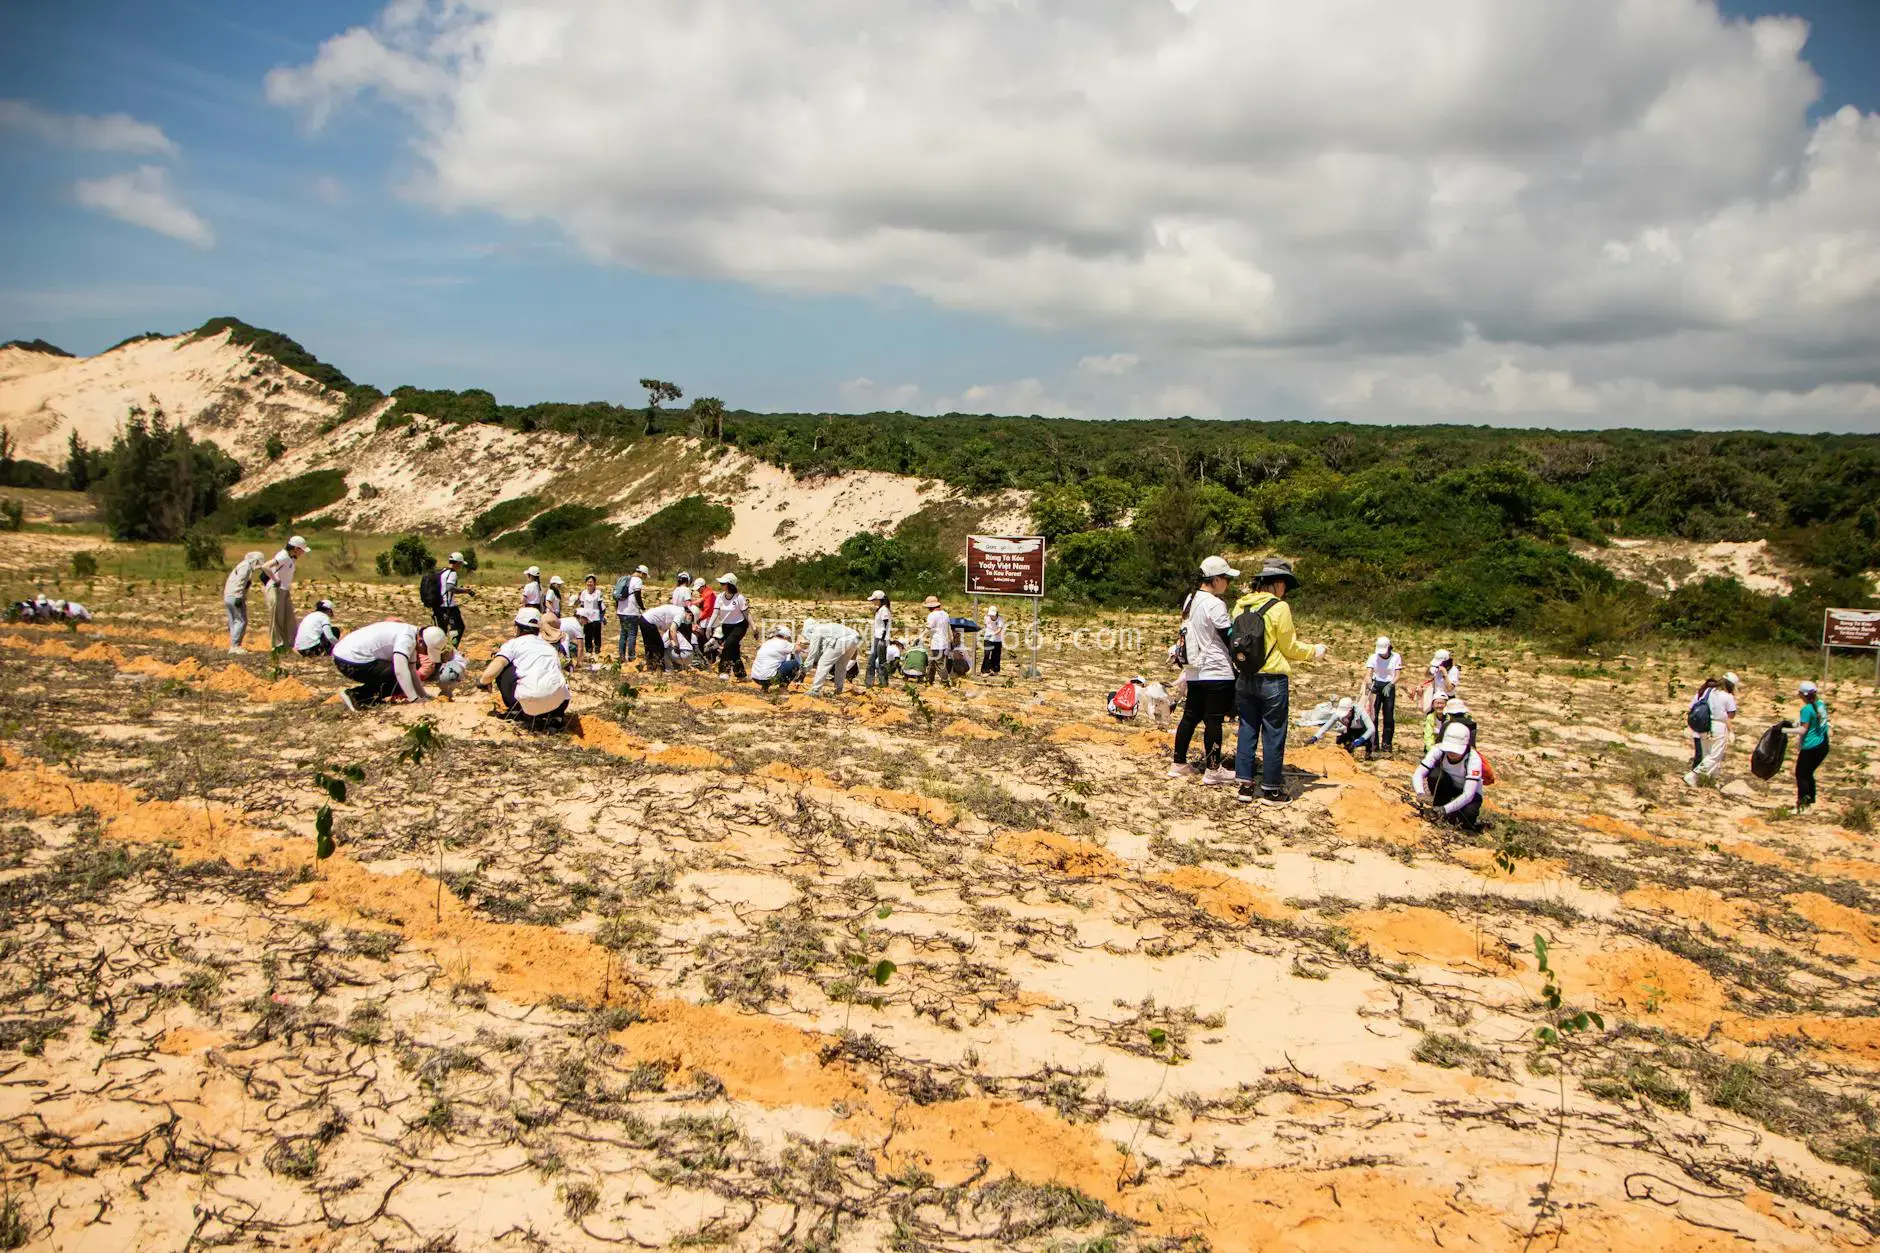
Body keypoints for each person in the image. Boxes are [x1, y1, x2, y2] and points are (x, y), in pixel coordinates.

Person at [1230, 557, 1325, 805]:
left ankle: (1245, 786)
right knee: (1273, 733)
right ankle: (1271, 789)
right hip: (1272, 679)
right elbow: (1289, 647)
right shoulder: (1279, 608)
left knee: (1247, 729)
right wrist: (1314, 651)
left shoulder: (1240, 606)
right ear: (1279, 584)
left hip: (1245, 676)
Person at [1169, 556, 1239, 786]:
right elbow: (1227, 636)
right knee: (1213, 721)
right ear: (1216, 579)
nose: (1227, 583)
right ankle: (1213, 769)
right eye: (1226, 579)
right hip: (1216, 671)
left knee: (1190, 716)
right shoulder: (1214, 603)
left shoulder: (1191, 599)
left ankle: (1178, 763)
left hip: (1194, 670)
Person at [478, 608, 572, 724]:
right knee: (554, 673)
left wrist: (483, 682)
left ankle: (516, 711)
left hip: (529, 701)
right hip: (557, 703)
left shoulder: (514, 644)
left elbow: (496, 666)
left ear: (517, 627)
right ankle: (555, 717)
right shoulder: (549, 647)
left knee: (504, 666)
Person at [332, 620, 449, 711]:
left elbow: (412, 670)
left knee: (403, 676)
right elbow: (400, 671)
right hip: (349, 660)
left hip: (346, 656)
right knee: (398, 677)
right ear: (421, 642)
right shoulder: (406, 638)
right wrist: (414, 699)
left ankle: (364, 698)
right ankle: (356, 696)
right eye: (426, 650)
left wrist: (423, 695)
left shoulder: (414, 634)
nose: (424, 654)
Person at [1413, 722, 1486, 829]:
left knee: (1467, 817)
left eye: (1456, 750)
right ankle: (1439, 806)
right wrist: (1420, 793)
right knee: (1435, 775)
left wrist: (1445, 810)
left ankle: (1446, 813)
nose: (1451, 753)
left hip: (1468, 793)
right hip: (1447, 786)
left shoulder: (1473, 760)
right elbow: (1418, 773)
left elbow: (1468, 794)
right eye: (1449, 749)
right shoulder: (1438, 750)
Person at [1782, 679, 1831, 812]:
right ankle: (1810, 801)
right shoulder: (1820, 704)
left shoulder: (1806, 709)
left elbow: (1803, 730)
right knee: (1808, 773)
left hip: (1811, 747)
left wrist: (1785, 731)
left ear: (1802, 695)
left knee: (1801, 774)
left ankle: (1802, 805)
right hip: (1823, 745)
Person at [1684, 672, 1738, 787]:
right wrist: (1731, 732)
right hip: (1719, 726)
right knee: (1715, 756)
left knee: (1706, 753)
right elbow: (1730, 715)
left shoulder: (1710, 691)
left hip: (1706, 724)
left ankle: (1711, 780)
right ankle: (1693, 776)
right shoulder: (1728, 697)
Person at [261, 536, 309, 651]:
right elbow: (265, 566)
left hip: (283, 589)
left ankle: (289, 644)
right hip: (275, 588)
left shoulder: (290, 558)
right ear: (296, 548)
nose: (302, 553)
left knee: (288, 618)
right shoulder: (283, 556)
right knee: (277, 619)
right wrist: (276, 580)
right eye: (302, 550)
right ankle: (277, 646)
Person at [803, 617, 862, 696]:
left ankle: (815, 690)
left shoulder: (816, 631)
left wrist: (806, 667)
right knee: (841, 665)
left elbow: (813, 652)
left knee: (823, 663)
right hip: (855, 638)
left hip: (842, 639)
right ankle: (838, 689)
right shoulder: (825, 627)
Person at [707, 573, 750, 678]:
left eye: (723, 583)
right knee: (734, 650)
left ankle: (724, 671)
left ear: (730, 585)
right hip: (726, 626)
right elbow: (715, 612)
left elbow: (747, 614)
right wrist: (709, 626)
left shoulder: (739, 598)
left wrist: (754, 627)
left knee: (727, 646)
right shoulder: (720, 597)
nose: (721, 585)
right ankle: (741, 675)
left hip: (739, 626)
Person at [223, 550, 266, 653]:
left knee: (234, 621)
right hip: (235, 596)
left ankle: (234, 644)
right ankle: (235, 646)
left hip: (228, 595)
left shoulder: (242, 565)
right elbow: (240, 582)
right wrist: (239, 596)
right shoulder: (245, 567)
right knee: (241, 620)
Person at [1365, 636, 1402, 754]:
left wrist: (1390, 685)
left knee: (1389, 716)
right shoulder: (1373, 657)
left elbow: (1397, 675)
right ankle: (1373, 742)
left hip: (1389, 686)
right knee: (1373, 715)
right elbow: (1368, 674)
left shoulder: (1396, 657)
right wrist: (1370, 685)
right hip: (1376, 684)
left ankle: (1387, 743)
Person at [1422, 649, 1461, 748]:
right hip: (1436, 698)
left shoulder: (1453, 670)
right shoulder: (1436, 668)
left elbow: (1450, 688)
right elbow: (1427, 675)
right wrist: (1431, 667)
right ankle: (1429, 748)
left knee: (1447, 725)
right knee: (1431, 723)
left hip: (1448, 700)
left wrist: (1444, 673)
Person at [1310, 696, 1376, 754]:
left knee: (1366, 742)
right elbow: (1326, 727)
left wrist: (1360, 739)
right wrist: (1315, 737)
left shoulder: (1360, 711)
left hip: (1363, 731)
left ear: (1351, 710)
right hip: (1351, 730)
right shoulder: (1337, 715)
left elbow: (1371, 728)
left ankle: (1368, 752)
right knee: (1343, 743)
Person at [751, 625, 803, 692]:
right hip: (769, 679)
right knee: (794, 664)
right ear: (785, 636)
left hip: (756, 678)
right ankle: (783, 689)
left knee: (772, 665)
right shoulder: (783, 643)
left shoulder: (767, 643)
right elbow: (798, 649)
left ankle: (764, 688)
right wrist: (799, 640)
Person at [436, 552, 474, 644]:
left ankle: (441, 650)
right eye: (460, 564)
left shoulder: (442, 571)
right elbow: (450, 588)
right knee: (458, 628)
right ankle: (452, 648)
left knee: (442, 631)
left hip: (438, 605)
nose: (461, 566)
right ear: (457, 563)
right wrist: (465, 591)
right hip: (449, 606)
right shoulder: (452, 573)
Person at [615, 564, 648, 663]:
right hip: (632, 612)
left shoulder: (625, 579)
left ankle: (621, 656)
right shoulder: (638, 580)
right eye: (645, 575)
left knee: (623, 633)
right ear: (642, 573)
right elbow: (637, 595)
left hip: (621, 611)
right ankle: (631, 657)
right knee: (632, 634)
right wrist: (642, 607)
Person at [637, 600, 683, 670]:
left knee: (649, 645)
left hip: (643, 619)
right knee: (659, 646)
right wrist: (676, 645)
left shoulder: (675, 610)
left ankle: (651, 666)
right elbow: (672, 630)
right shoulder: (680, 614)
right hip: (649, 621)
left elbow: (669, 631)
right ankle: (658, 667)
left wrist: (673, 644)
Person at [574, 575, 607, 662]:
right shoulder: (584, 593)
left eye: (591, 582)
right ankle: (588, 650)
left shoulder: (598, 592)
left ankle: (597, 649)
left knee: (596, 633)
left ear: (594, 583)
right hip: (586, 616)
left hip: (596, 615)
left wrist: (602, 617)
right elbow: (582, 604)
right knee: (587, 633)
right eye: (588, 582)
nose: (589, 583)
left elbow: (600, 604)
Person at [864, 591, 893, 687]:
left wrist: (882, 639)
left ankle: (883, 683)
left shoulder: (884, 610)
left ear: (878, 600)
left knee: (881, 662)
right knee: (871, 661)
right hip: (878, 637)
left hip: (881, 639)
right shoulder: (880, 609)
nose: (873, 602)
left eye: (874, 600)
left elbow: (885, 624)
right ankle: (869, 683)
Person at [923, 596, 952, 687]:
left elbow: (928, 629)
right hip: (944, 642)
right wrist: (950, 640)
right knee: (932, 662)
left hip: (937, 643)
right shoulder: (945, 614)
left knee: (939, 663)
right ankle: (929, 680)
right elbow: (948, 628)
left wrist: (920, 637)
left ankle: (945, 682)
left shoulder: (932, 615)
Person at [982, 606, 1006, 675]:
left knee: (996, 655)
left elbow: (999, 629)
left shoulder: (1000, 619)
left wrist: (993, 633)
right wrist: (988, 633)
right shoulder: (986, 618)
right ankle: (985, 670)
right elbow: (985, 626)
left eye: (993, 615)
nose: (992, 616)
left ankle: (995, 670)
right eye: (991, 615)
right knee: (987, 654)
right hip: (988, 639)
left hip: (997, 640)